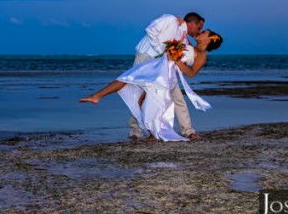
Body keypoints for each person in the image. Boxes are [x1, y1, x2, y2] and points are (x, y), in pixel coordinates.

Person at [79, 29, 223, 141]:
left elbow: (191, 73)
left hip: (166, 76)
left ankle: (153, 134)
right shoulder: (189, 44)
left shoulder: (202, 55)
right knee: (129, 78)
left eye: (205, 32)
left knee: (149, 102)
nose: (200, 32)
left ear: (210, 39)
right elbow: (177, 39)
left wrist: (176, 60)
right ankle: (97, 95)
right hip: (158, 66)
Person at [127, 11, 204, 140]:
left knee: (177, 96)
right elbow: (150, 29)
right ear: (192, 23)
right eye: (199, 28)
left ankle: (188, 130)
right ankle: (135, 130)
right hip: (145, 56)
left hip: (163, 65)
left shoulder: (184, 36)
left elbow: (189, 50)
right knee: (140, 94)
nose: (199, 31)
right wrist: (161, 51)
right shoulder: (171, 20)